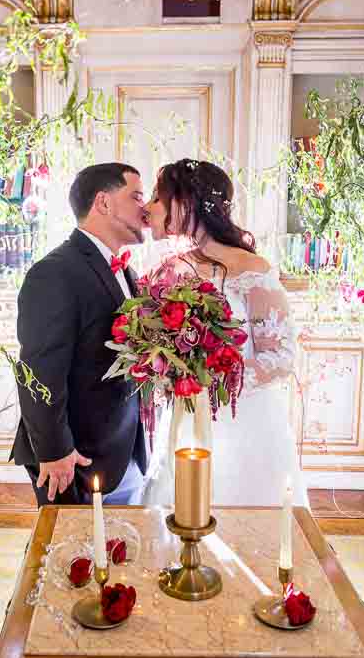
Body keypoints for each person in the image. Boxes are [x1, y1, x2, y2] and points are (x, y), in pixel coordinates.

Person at [140, 158, 310, 507]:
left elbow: (281, 357)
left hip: (246, 419)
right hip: (185, 419)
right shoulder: (167, 270)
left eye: (159, 197)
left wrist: (215, 380)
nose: (149, 207)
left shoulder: (252, 269)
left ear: (186, 203)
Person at [11, 162, 150, 506]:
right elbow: (38, 372)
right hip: (74, 460)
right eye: (136, 197)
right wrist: (56, 450)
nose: (144, 209)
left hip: (122, 450)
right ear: (103, 202)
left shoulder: (127, 272)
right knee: (68, 554)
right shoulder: (55, 272)